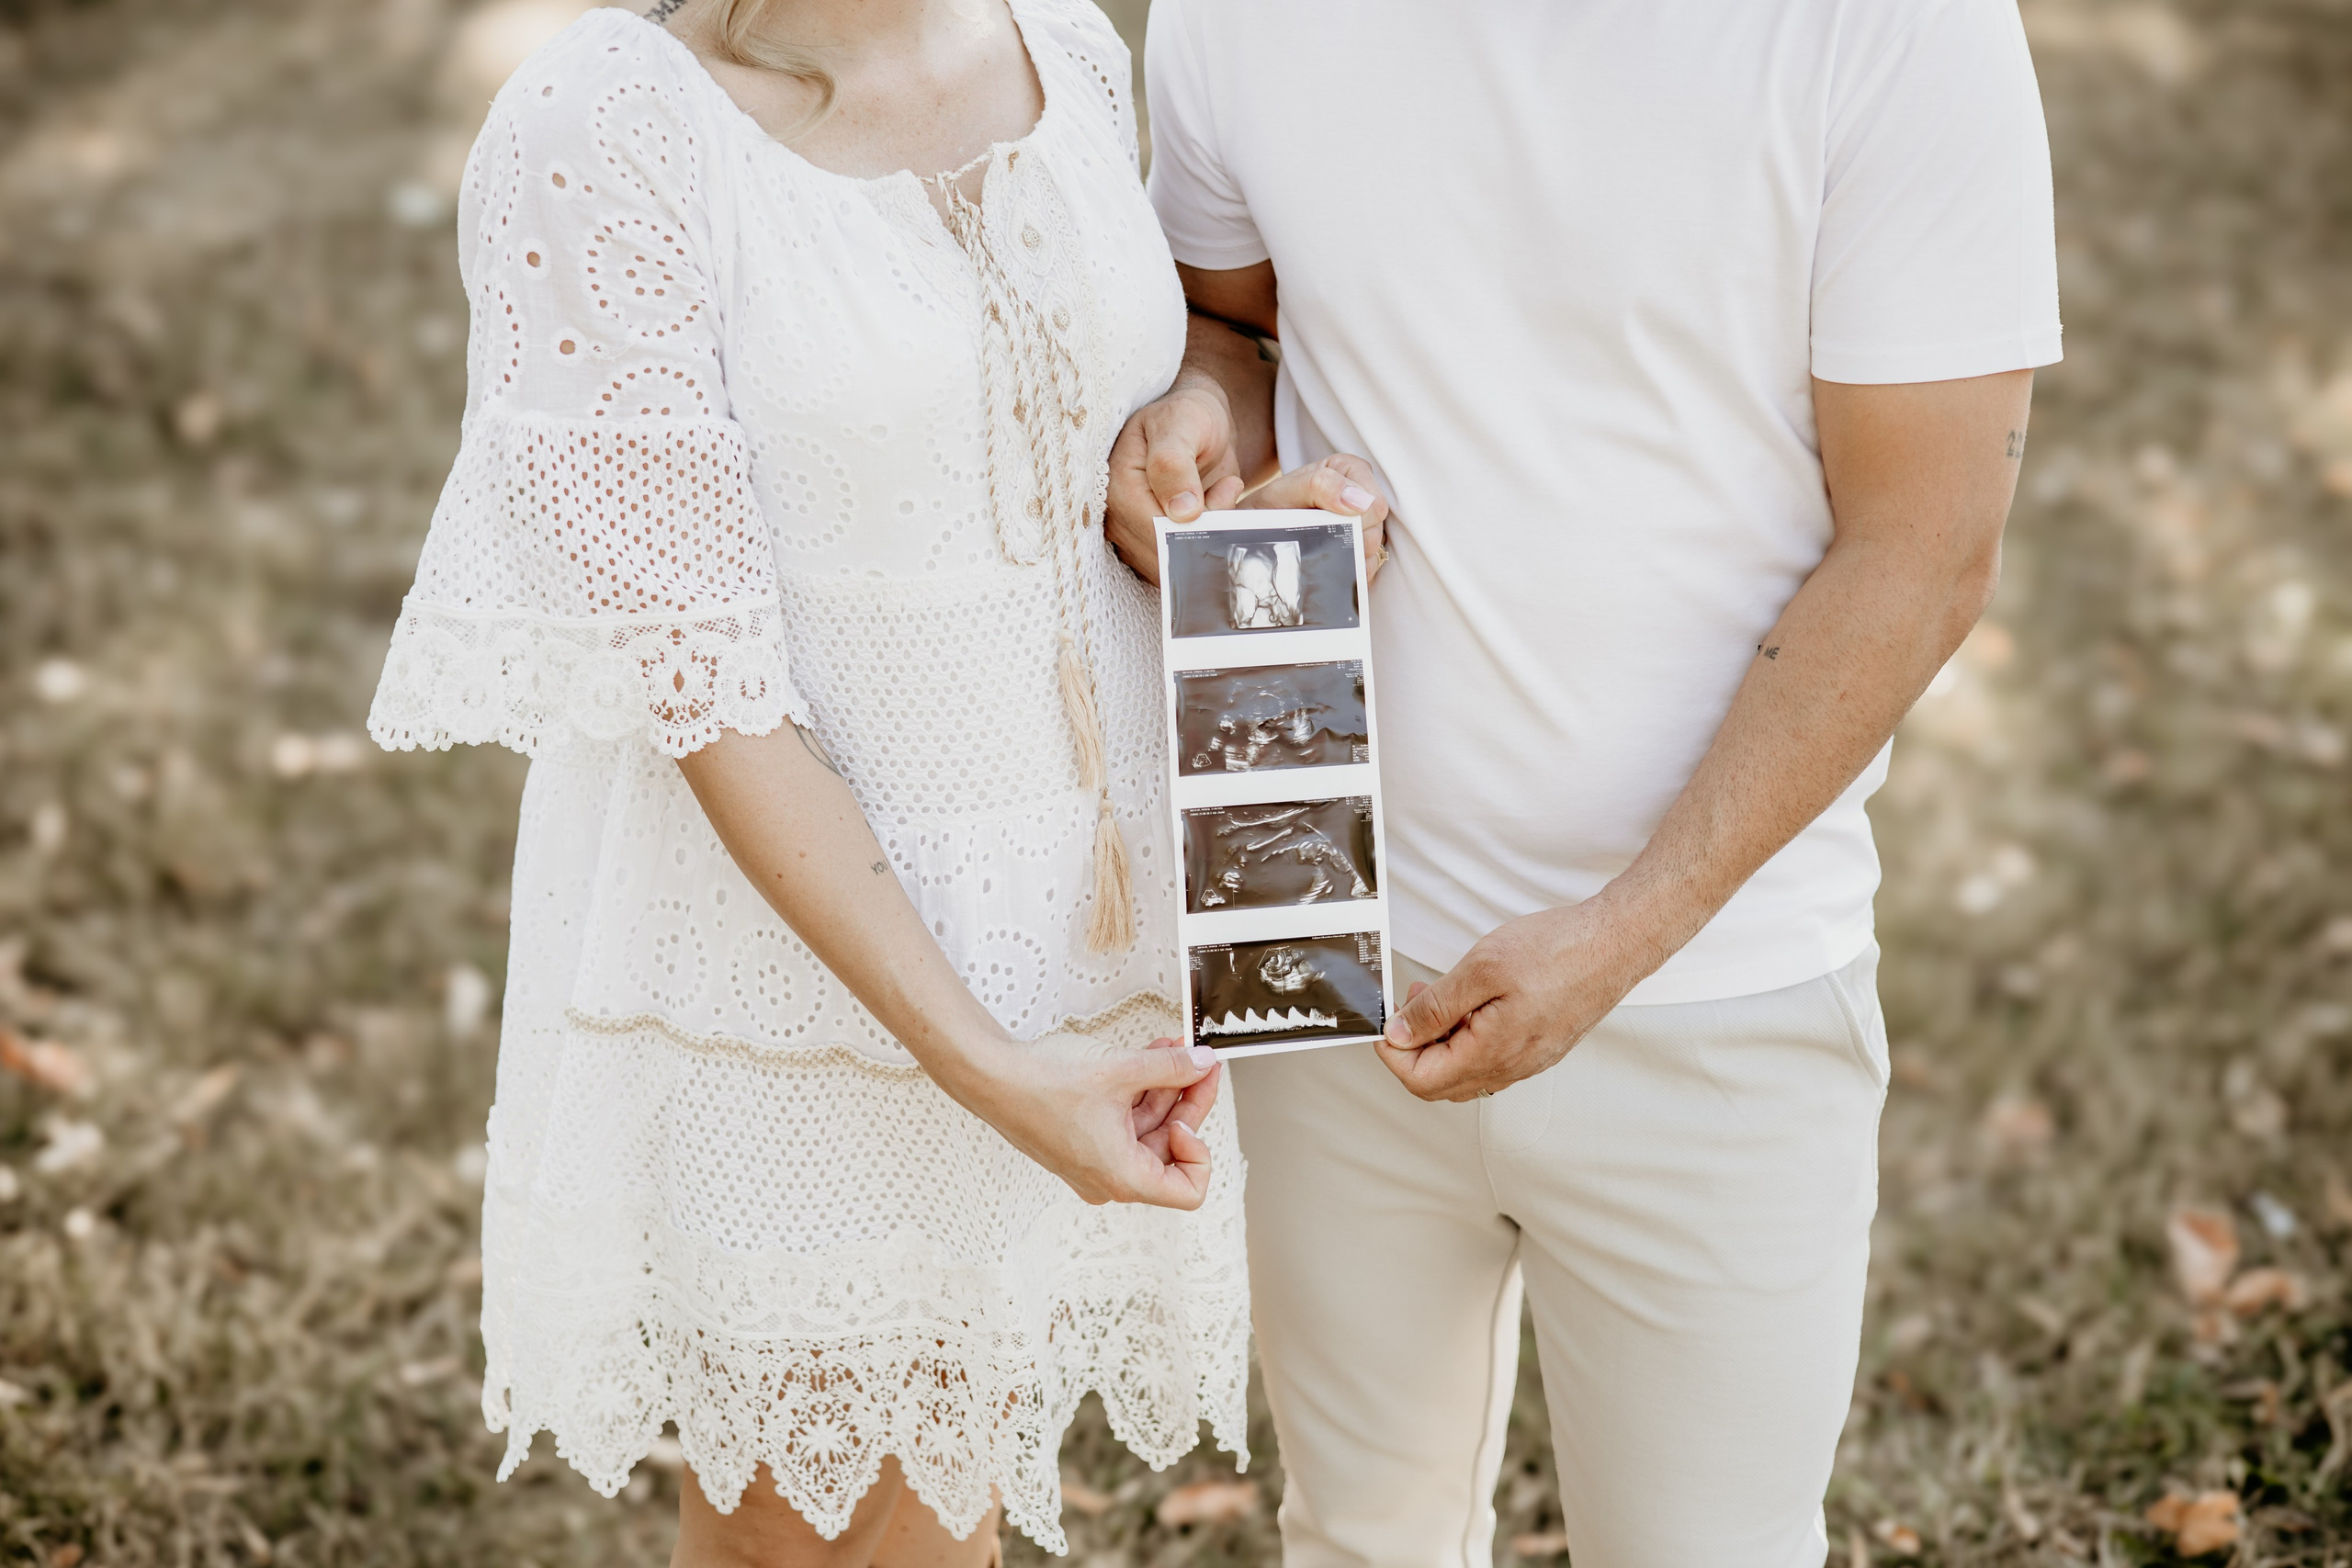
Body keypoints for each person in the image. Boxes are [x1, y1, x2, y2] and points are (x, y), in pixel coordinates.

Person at [364, 0, 1379, 1561]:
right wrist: (986, 1064)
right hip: (811, 986)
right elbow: (708, 696)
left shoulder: (1065, 48)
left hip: (1065, 948)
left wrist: (1185, 438)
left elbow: (1162, 381)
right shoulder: (610, 127)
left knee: (943, 1515)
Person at [1107, 1, 2061, 1563]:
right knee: (1356, 1537)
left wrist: (1625, 928)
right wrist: (1204, 420)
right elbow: (1236, 324)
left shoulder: (1897, 25)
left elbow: (1928, 543)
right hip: (1316, 928)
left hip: (1716, 994)